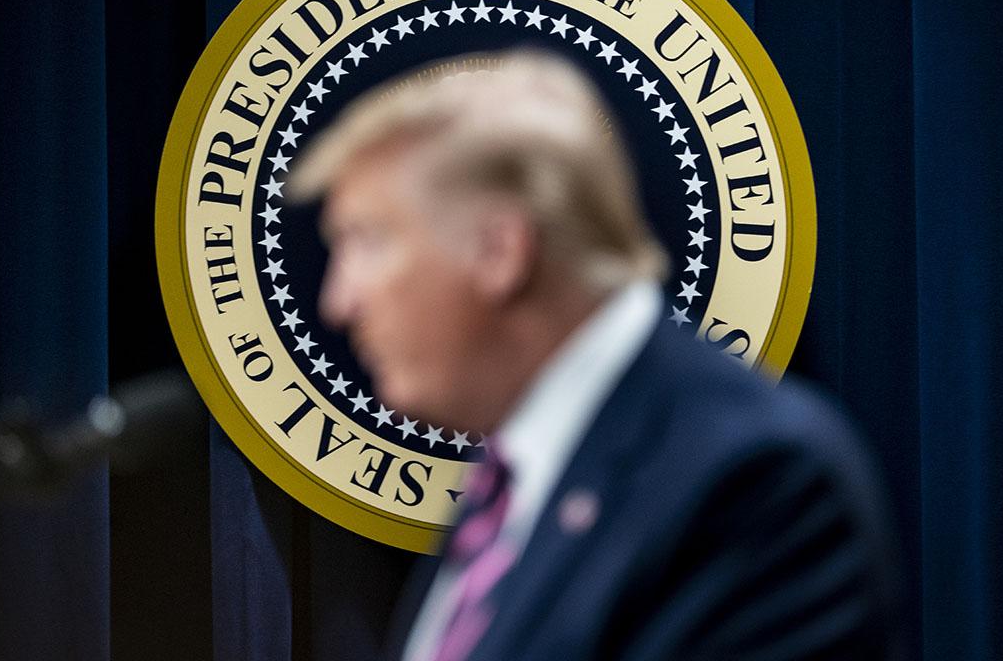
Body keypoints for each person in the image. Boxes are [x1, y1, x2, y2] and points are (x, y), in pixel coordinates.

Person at [290, 50, 903, 661]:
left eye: (366, 242)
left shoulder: (754, 481)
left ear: (500, 251)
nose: (338, 303)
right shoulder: (511, 482)